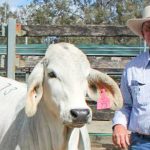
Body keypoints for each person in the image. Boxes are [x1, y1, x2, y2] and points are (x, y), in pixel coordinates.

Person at [112, 5, 150, 150]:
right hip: (141, 143)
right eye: (148, 28)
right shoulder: (132, 68)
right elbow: (125, 105)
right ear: (143, 34)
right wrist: (119, 125)